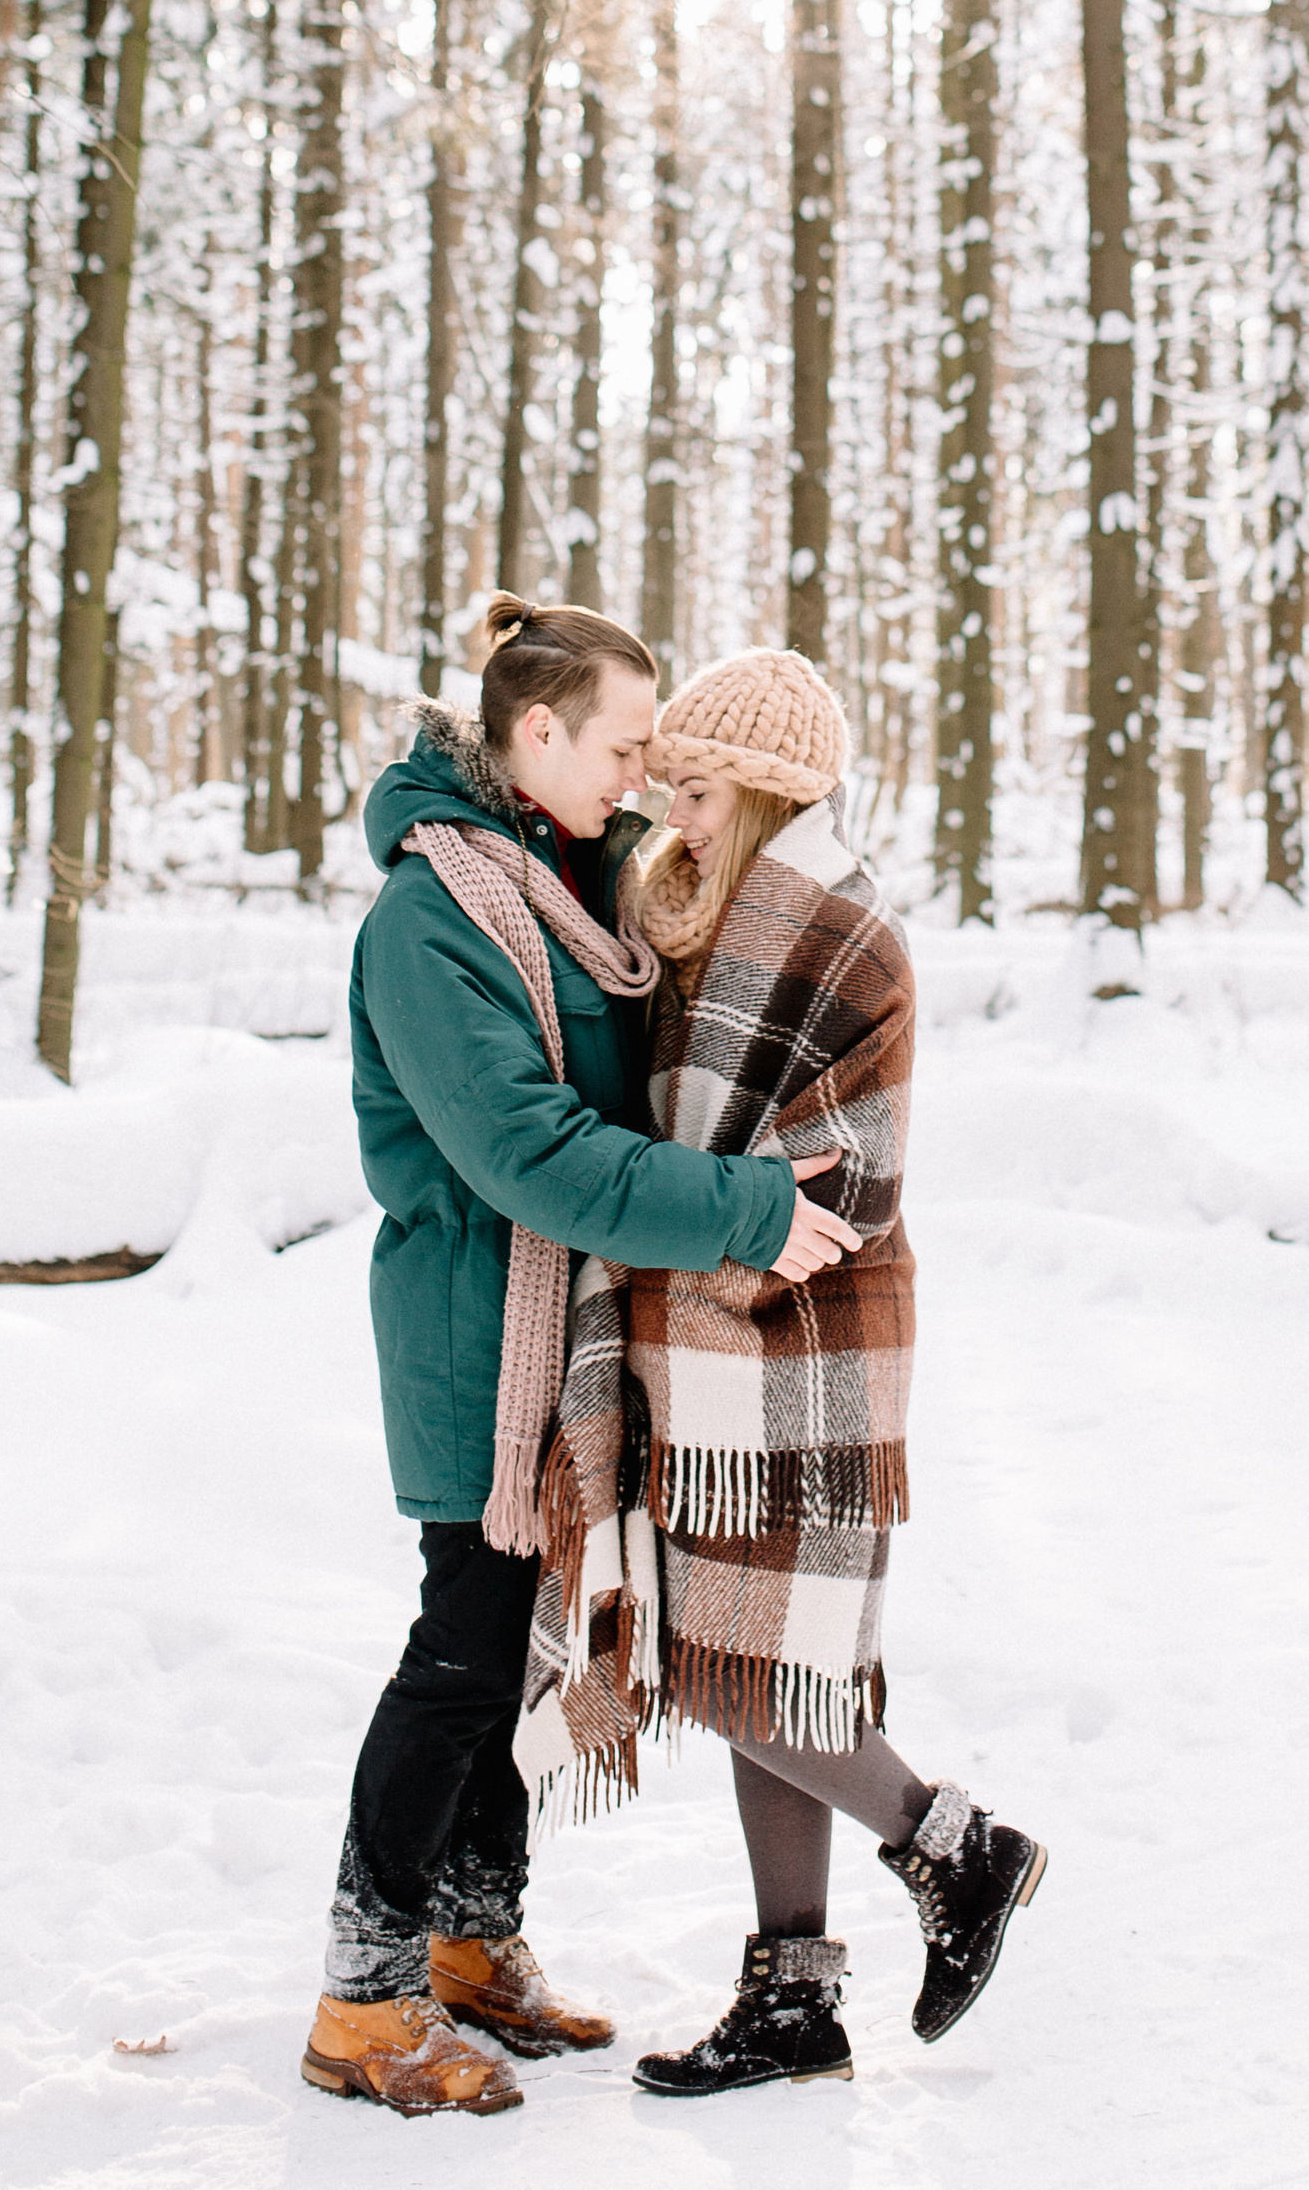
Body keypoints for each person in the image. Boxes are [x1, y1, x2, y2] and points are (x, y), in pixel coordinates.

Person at [301, 597, 864, 2124]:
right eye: (622, 746)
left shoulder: (571, 879)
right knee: (465, 1652)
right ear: (533, 734)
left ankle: (473, 1944)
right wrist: (746, 1211)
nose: (635, 779)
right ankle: (364, 1993)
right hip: (479, 1345)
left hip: (569, 1345)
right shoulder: (432, 921)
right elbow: (531, 1154)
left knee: (520, 1642)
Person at [612, 650, 1047, 2098]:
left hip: (806, 1338)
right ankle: (792, 2000)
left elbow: (854, 1169)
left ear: (769, 791)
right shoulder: (677, 912)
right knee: (752, 1658)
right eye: (668, 769)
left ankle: (954, 1847)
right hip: (703, 1342)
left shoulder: (849, 933)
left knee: (756, 1683)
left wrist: (686, 1235)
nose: (670, 797)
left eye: (699, 778)